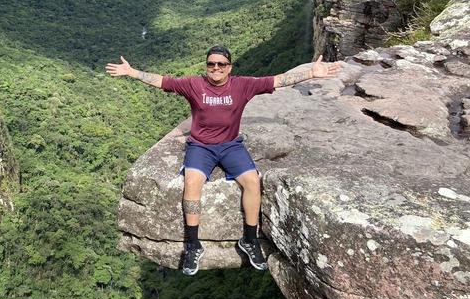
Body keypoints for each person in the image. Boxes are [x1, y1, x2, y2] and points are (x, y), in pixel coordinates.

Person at [106, 45, 340, 276]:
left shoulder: (242, 85)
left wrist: (311, 73)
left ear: (229, 67)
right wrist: (132, 72)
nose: (216, 68)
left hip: (230, 146)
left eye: (221, 64)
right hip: (200, 147)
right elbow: (162, 81)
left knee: (252, 181)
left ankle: (249, 240)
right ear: (206, 66)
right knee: (191, 184)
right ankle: (193, 245)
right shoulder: (194, 85)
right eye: (211, 64)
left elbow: (276, 80)